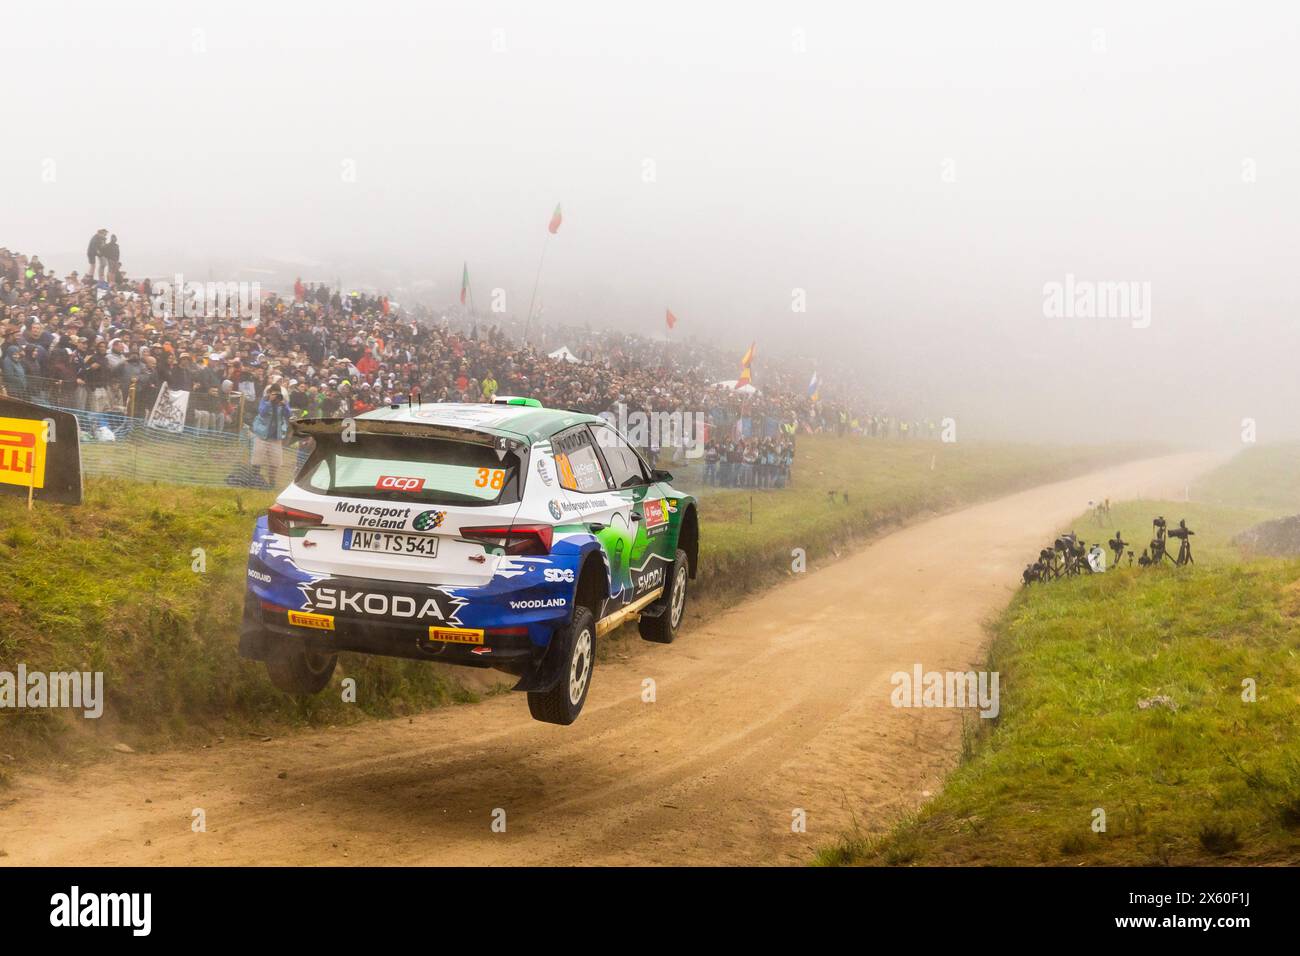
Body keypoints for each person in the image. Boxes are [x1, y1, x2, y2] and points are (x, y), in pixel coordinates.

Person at [251, 383, 289, 486]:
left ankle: (272, 483)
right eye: (274, 393)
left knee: (275, 462)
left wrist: (284, 405)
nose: (276, 395)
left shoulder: (283, 401)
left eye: (278, 393)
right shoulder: (264, 400)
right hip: (262, 435)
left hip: (276, 437)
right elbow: (262, 413)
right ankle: (254, 480)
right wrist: (269, 402)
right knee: (257, 459)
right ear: (269, 393)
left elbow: (288, 415)